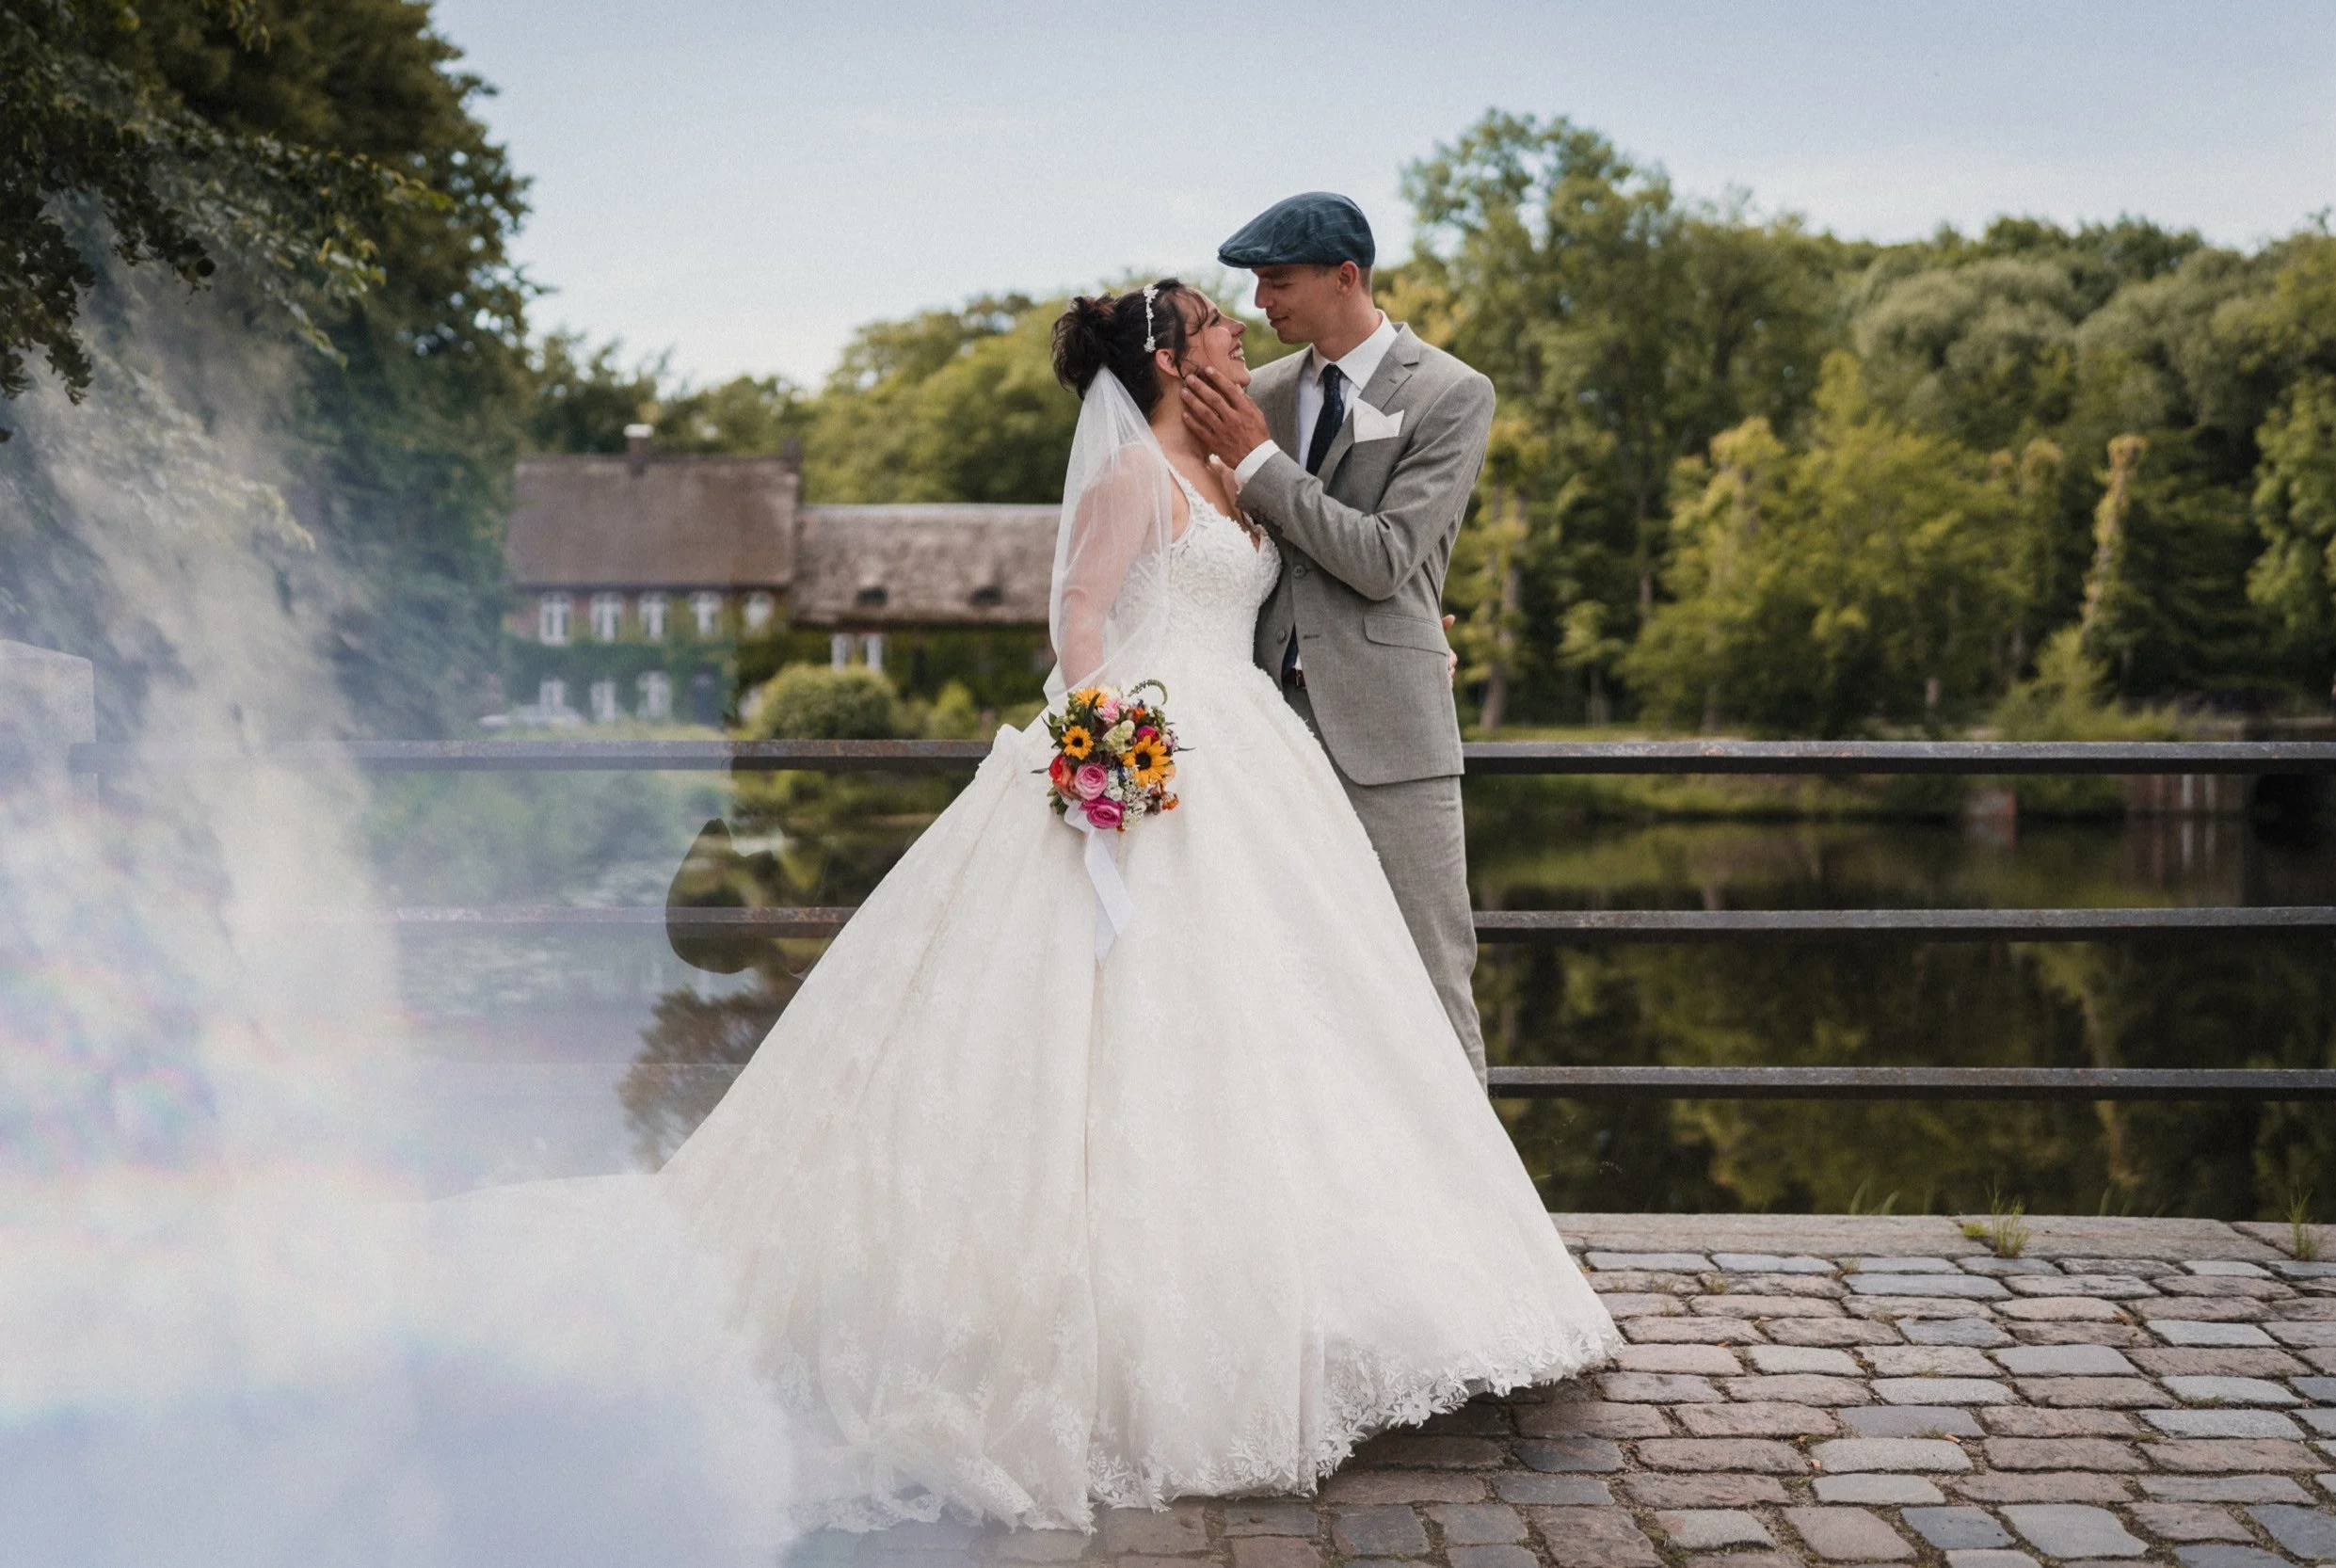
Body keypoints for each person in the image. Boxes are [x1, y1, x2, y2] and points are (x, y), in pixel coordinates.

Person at [659, 278, 1618, 1535]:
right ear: (1169, 357)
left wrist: (1412, 620)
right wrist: (1102, 742)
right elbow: (1078, 608)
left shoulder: (1232, 463)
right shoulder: (1129, 474)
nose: (1237, 330)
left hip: (1258, 758)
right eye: (1215, 322)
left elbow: (1308, 584)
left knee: (1300, 1022)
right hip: (1150, 748)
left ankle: (1348, 1290)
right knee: (1126, 1024)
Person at [1180, 192, 1494, 1081]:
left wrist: (1258, 462)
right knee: (1283, 980)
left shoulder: (1451, 392)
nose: (1260, 303)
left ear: (1345, 276)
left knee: (1429, 978)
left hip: (1391, 733)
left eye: (1278, 282)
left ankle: (1464, 1176)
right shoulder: (1261, 393)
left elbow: (1386, 558)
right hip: (1259, 735)